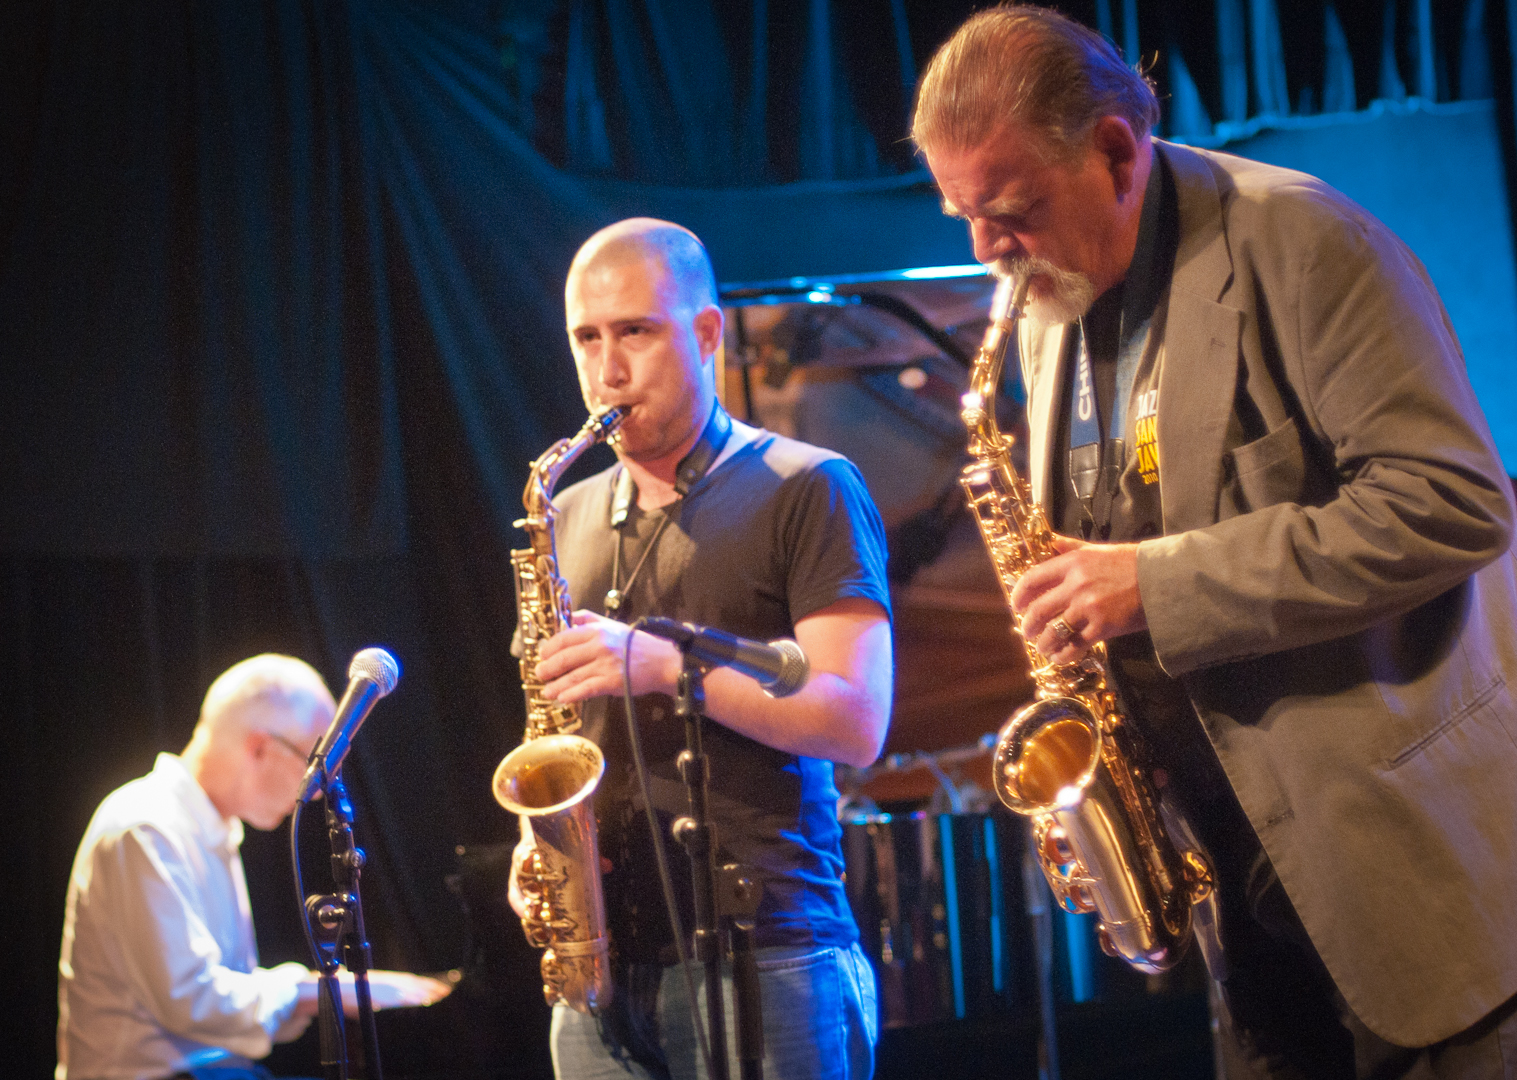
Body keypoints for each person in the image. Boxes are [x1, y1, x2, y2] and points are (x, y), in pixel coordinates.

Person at [911, 7, 1517, 1078]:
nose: (985, 252)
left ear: (1113, 150)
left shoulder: (1303, 241)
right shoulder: (1050, 302)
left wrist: (1154, 583)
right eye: (961, 214)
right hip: (1229, 890)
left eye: (1008, 211)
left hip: (1392, 870)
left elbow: (1451, 503)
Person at [508, 217, 893, 1080]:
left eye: (635, 331)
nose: (607, 370)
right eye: (586, 338)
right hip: (603, 968)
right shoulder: (563, 514)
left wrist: (660, 666)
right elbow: (552, 726)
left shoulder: (806, 486)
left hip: (769, 955)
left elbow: (857, 719)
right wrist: (543, 847)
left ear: (708, 333)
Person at [57, 653, 450, 1080]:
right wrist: (319, 990)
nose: (317, 793)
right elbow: (192, 1003)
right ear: (260, 746)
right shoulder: (144, 826)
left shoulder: (208, 828)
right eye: (312, 763)